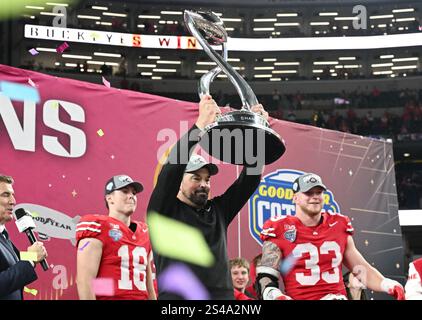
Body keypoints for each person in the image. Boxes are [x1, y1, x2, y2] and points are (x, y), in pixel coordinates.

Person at [147, 94, 267, 300]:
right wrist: (200, 125)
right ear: (179, 181)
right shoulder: (164, 210)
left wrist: (259, 132)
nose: (203, 184)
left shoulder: (218, 211)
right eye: (195, 177)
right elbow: (171, 170)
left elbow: (250, 180)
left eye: (207, 179)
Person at [256, 172, 405, 300]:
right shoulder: (279, 227)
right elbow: (265, 276)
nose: (315, 197)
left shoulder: (338, 224)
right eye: (308, 193)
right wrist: (275, 295)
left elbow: (360, 268)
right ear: (295, 198)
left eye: (319, 192)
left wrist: (387, 284)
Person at [76, 175, 156, 300]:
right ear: (109, 198)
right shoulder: (98, 226)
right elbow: (85, 281)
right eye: (124, 191)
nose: (131, 196)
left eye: (134, 193)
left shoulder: (144, 232)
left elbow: (148, 286)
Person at [0, 175, 48, 300]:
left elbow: (11, 263)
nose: (13, 201)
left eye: (12, 195)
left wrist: (32, 256)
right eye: (5, 195)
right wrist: (30, 261)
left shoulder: (3, 236)